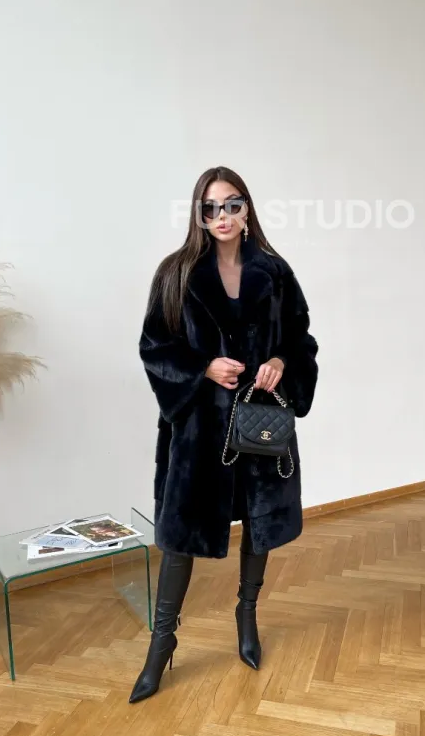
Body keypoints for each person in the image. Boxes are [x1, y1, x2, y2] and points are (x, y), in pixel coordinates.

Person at [129, 166, 319, 703]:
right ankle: (161, 644)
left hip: (260, 422)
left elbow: (301, 340)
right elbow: (154, 348)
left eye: (232, 204)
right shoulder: (176, 273)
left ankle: (247, 614)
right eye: (210, 207)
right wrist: (203, 369)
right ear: (199, 214)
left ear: (247, 207)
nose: (222, 216)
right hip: (199, 432)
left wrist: (281, 361)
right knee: (180, 538)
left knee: (260, 524)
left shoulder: (275, 272)